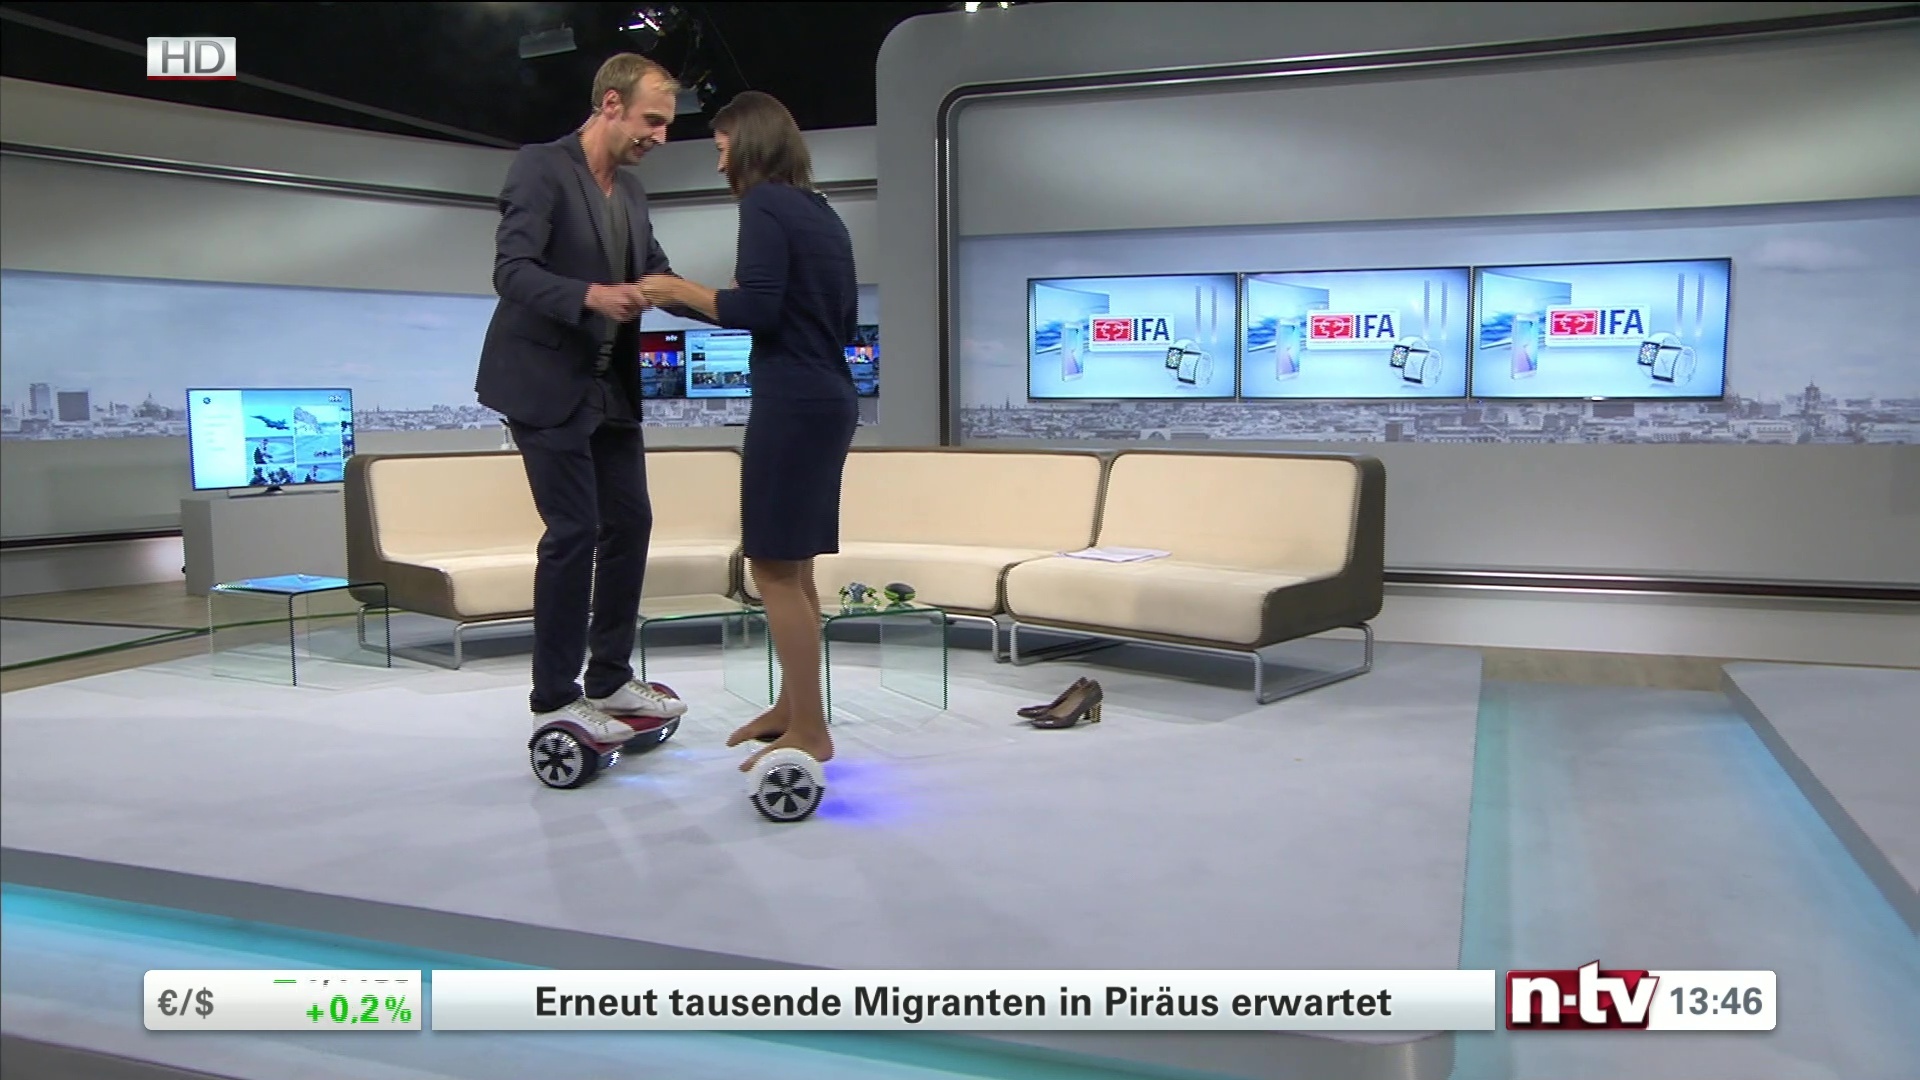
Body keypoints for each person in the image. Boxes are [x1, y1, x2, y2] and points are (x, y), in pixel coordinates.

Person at [474, 53, 692, 743]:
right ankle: (554, 697)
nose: (660, 136)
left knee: (630, 523)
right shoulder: (541, 167)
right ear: (610, 105)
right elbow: (512, 272)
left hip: (609, 387)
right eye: (652, 120)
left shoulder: (631, 193)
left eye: (666, 124)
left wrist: (722, 302)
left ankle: (609, 677)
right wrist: (590, 296)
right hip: (545, 384)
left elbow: (654, 273)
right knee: (573, 531)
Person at [639, 91, 859, 773]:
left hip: (791, 403)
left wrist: (677, 291)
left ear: (751, 143)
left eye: (721, 147)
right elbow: (825, 318)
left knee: (770, 567)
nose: (718, 163)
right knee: (795, 566)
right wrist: (691, 296)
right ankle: (793, 708)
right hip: (828, 396)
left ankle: (812, 728)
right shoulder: (821, 213)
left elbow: (757, 309)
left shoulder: (764, 205)